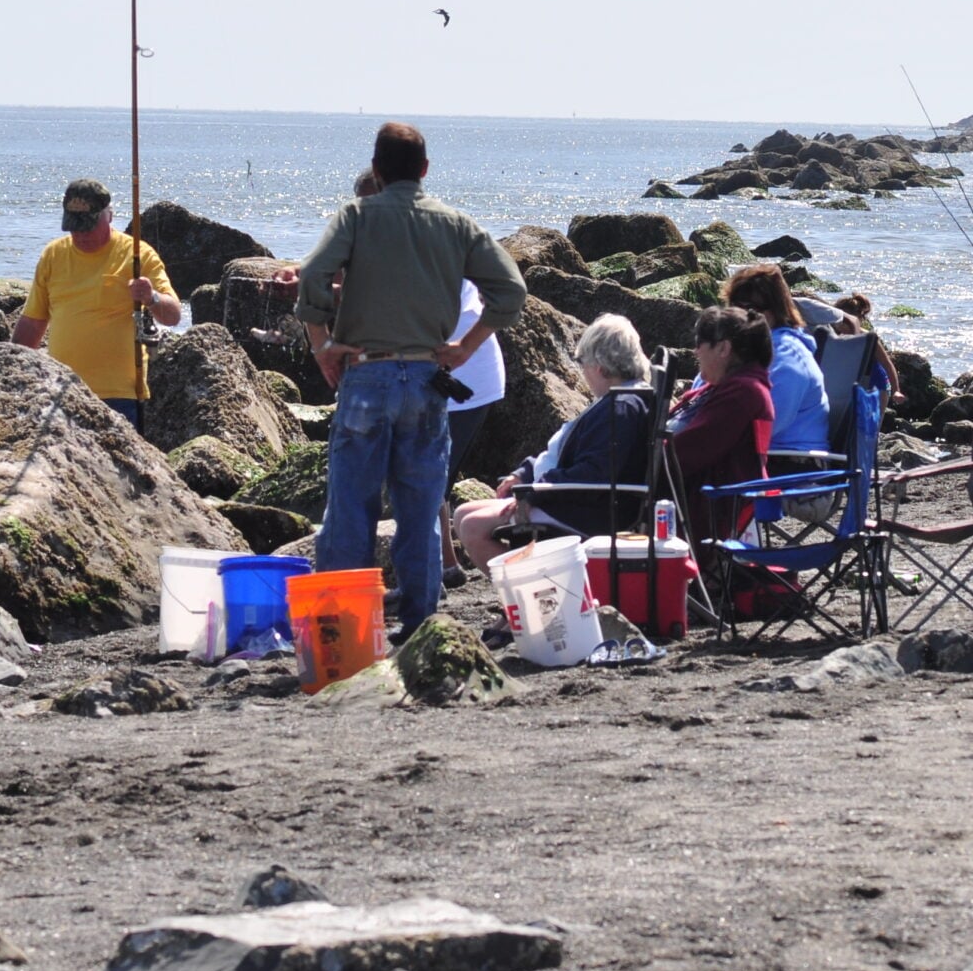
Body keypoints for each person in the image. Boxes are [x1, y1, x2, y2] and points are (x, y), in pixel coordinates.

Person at [296, 123, 525, 634]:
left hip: (368, 373)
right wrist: (465, 347)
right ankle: (421, 621)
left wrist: (321, 345)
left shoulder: (356, 216)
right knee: (420, 507)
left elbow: (313, 276)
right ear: (424, 170)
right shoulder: (454, 224)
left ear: (376, 170)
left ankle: (346, 621)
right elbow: (510, 290)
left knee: (350, 504)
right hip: (426, 374)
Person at [454, 314, 654, 568]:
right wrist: (524, 473)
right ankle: (529, 592)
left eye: (584, 364)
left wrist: (535, 492)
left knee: (473, 527)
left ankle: (528, 597)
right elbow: (566, 452)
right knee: (462, 513)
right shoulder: (620, 399)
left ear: (600, 367)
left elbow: (594, 474)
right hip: (571, 498)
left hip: (588, 512)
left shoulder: (620, 408)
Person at [12, 178, 182, 431]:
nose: (81, 234)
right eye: (74, 226)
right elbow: (33, 321)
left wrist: (151, 297)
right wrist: (12, 367)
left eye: (88, 226)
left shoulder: (137, 253)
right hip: (61, 388)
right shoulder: (53, 255)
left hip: (118, 395)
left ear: (109, 216)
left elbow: (173, 315)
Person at [666, 305, 776, 556]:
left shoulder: (743, 393)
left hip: (708, 510)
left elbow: (688, 453)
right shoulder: (726, 387)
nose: (695, 351)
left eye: (699, 343)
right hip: (692, 497)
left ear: (724, 348)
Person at [724, 264, 831, 456]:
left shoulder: (788, 358)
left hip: (788, 463)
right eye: (734, 308)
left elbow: (765, 426)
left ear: (776, 310)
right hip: (750, 457)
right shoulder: (739, 349)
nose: (740, 317)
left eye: (751, 310)